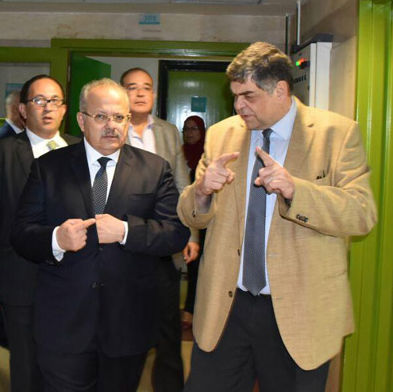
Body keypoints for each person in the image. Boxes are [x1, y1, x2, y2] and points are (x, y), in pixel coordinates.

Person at [178, 42, 377, 392]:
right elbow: (191, 216)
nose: (238, 105)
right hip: (226, 306)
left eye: (249, 96)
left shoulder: (336, 134)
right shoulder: (222, 134)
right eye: (236, 95)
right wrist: (202, 191)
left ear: (281, 90)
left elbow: (361, 213)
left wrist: (296, 190)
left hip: (300, 310)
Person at [12, 78, 190, 392]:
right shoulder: (49, 167)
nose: (111, 125)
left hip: (127, 324)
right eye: (101, 117)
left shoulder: (154, 169)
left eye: (119, 117)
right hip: (63, 323)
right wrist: (56, 240)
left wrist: (126, 231)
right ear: (82, 121)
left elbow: (175, 234)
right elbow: (21, 234)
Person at [0, 74, 79, 392]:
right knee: (25, 365)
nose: (47, 108)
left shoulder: (81, 150)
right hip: (21, 278)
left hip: (74, 278)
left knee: (69, 363)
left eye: (54, 101)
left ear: (64, 109)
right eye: (39, 101)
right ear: (23, 110)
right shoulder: (1, 152)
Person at [120, 67, 197, 392]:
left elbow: (182, 184)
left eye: (146, 87)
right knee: (124, 327)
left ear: (153, 94)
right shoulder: (111, 126)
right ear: (120, 92)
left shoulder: (167, 131)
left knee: (168, 329)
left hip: (164, 242)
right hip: (123, 241)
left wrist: (190, 233)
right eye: (132, 87)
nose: (140, 93)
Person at [180, 115, 207, 330]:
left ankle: (196, 309)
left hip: (204, 220)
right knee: (192, 265)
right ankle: (190, 308)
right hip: (184, 217)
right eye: (186, 129)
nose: (189, 133)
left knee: (201, 266)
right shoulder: (180, 153)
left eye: (194, 128)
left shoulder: (206, 155)